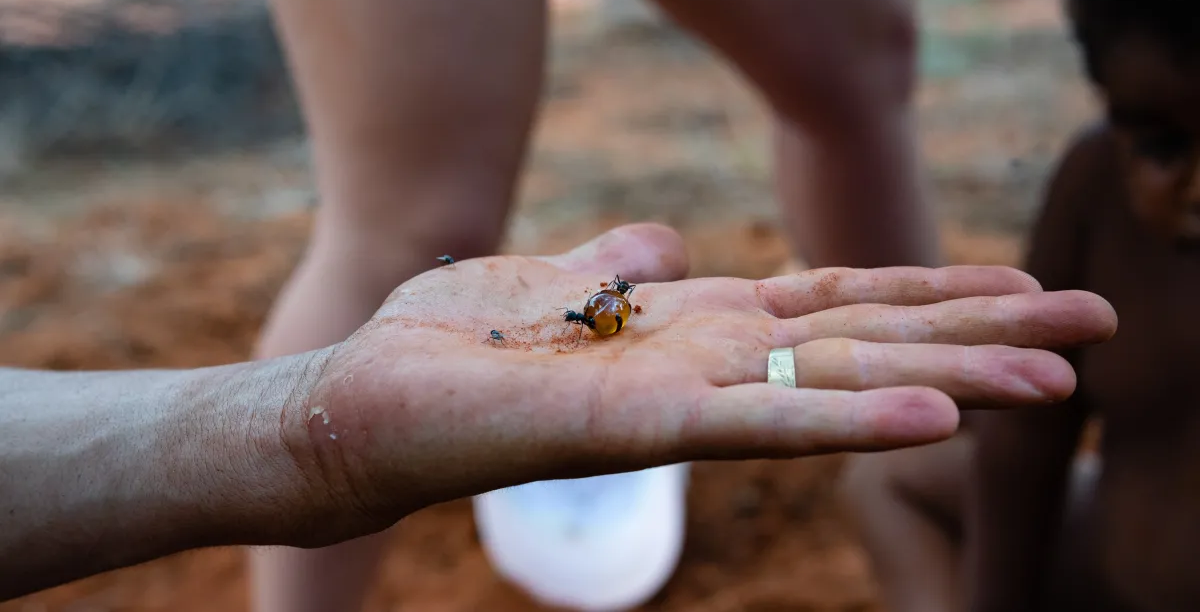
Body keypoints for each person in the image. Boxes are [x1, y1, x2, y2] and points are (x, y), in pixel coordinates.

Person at [250, 0, 939, 609]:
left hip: (615, 330)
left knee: (855, 66)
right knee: (414, 228)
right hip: (589, 331)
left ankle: (932, 477)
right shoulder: (599, 310)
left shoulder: (613, 308)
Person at [0, 222, 1120, 604]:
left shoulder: (613, 310)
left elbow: (613, 314)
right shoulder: (594, 316)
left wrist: (303, 429)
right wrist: (305, 426)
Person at [840, 0, 1200, 610]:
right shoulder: (1096, 189)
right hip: (1118, 560)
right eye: (1162, 145)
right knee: (895, 479)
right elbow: (1021, 451)